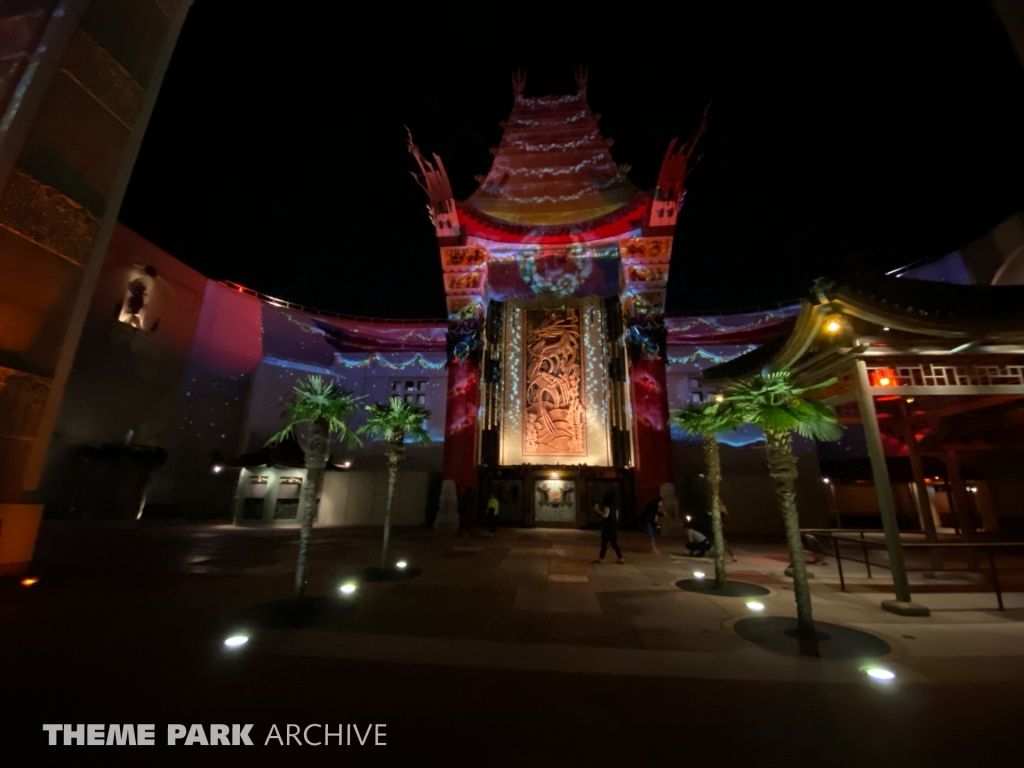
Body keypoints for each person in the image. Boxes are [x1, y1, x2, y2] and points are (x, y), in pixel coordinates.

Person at [592, 493, 624, 564]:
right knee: (614, 543)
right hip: (614, 527)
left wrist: (598, 511)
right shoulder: (616, 508)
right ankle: (620, 558)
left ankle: (601, 558)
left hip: (607, 527)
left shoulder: (607, 507)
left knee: (604, 542)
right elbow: (616, 517)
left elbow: (605, 515)